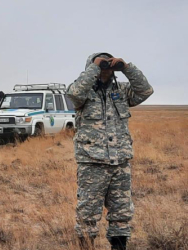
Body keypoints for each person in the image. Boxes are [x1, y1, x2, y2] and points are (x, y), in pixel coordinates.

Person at [66, 52, 154, 250]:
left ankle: (119, 246)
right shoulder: (83, 92)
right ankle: (86, 246)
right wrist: (94, 67)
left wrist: (126, 67)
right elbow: (74, 94)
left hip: (120, 162)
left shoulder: (121, 91)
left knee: (122, 212)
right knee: (88, 212)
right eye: (102, 66)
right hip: (92, 163)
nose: (106, 69)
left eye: (108, 65)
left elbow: (145, 91)